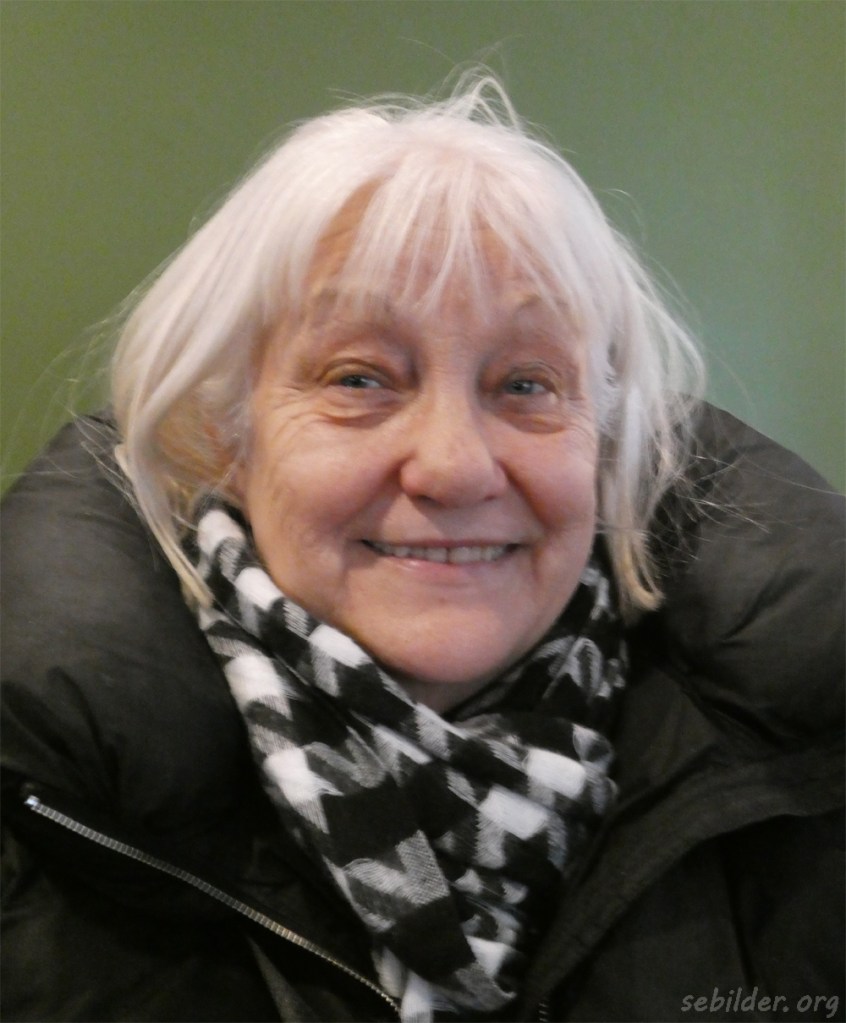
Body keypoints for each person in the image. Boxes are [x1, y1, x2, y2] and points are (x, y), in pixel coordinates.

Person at [2, 77, 843, 1023]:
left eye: (527, 383)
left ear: (607, 442)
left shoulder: (808, 784)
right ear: (223, 440)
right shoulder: (39, 815)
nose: (454, 466)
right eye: (359, 378)